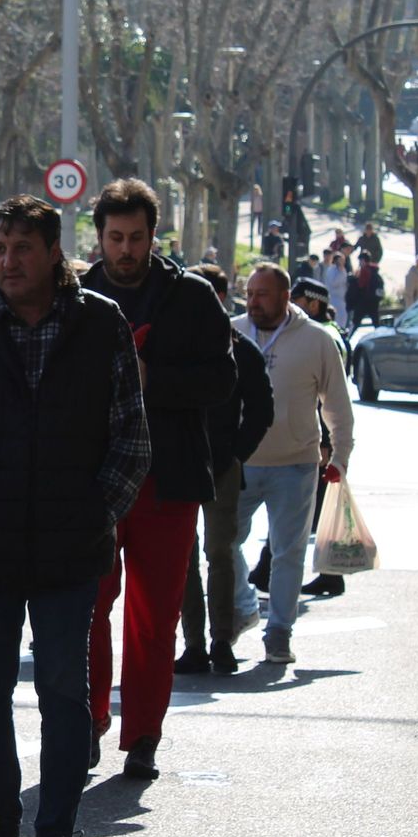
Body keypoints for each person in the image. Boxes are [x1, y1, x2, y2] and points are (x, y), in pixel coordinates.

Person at [0, 196, 149, 837]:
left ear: (53, 254)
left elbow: (132, 436)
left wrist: (98, 513)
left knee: (63, 692)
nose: (8, 262)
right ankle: (1, 815)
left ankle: (55, 825)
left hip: (71, 550)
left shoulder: (102, 325)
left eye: (22, 249)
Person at [77, 180, 234, 780]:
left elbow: (221, 383)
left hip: (169, 480)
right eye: (115, 238)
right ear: (99, 237)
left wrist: (152, 377)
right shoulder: (78, 294)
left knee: (155, 616)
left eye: (136, 238)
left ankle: (143, 735)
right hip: (94, 480)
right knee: (88, 605)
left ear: (153, 236)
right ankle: (89, 722)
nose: (125, 249)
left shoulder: (191, 296)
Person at [230, 264, 353, 665]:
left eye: (262, 295)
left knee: (288, 553)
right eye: (249, 294)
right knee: (222, 544)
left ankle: (279, 632)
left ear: (286, 298)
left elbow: (337, 403)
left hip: (296, 464)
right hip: (239, 462)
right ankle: (244, 607)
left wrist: (341, 456)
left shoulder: (316, 341)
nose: (253, 303)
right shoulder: (231, 332)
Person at [175, 264, 272, 678]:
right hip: (178, 462)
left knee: (220, 554)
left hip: (221, 465)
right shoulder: (176, 344)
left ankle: (221, 641)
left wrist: (236, 453)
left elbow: (261, 409)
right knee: (183, 559)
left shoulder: (241, 349)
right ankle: (194, 644)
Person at [288, 277, 350, 598]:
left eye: (296, 301)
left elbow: (327, 395)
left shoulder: (323, 336)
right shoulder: (331, 333)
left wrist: (327, 442)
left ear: (313, 303)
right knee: (315, 510)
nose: (291, 308)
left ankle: (329, 572)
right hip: (323, 436)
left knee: (307, 509)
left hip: (321, 437)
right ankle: (330, 573)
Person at [323, 251, 349, 326]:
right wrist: (340, 273)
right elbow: (333, 283)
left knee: (343, 317)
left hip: (341, 298)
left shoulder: (343, 270)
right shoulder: (331, 270)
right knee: (337, 318)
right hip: (334, 298)